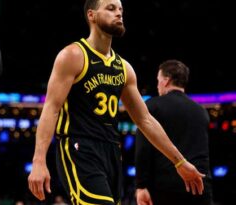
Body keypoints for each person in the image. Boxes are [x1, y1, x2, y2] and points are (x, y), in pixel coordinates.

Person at [28, 0, 205, 204]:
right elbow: (51, 109)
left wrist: (179, 161)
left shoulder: (124, 68)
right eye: (111, 8)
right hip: (79, 148)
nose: (119, 13)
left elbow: (145, 120)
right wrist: (39, 160)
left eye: (121, 9)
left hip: (112, 152)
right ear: (91, 15)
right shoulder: (73, 55)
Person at [135, 60, 213, 205]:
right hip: (200, 186)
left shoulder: (152, 107)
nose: (157, 85)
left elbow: (143, 149)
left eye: (158, 80)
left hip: (164, 189)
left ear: (166, 80)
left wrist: (141, 185)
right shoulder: (201, 111)